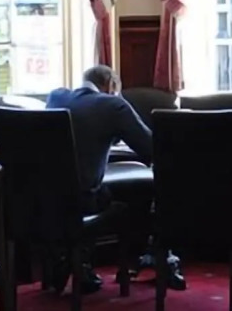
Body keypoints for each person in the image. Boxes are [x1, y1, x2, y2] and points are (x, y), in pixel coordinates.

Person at [46, 65, 186, 294]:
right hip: (84, 201)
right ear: (111, 85)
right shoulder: (112, 105)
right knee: (137, 194)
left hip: (46, 200)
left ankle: (75, 259)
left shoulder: (57, 96)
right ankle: (143, 256)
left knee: (111, 188)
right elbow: (149, 148)